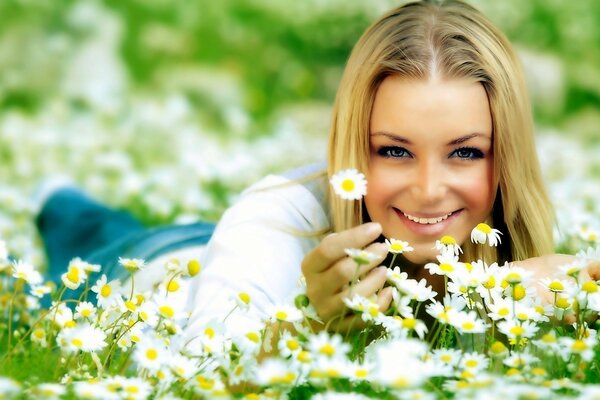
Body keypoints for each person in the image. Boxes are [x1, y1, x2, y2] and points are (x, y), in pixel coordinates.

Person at [36, 0, 598, 338]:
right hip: (154, 274)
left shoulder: (526, 248)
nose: (429, 191)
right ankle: (56, 197)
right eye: (394, 151)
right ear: (355, 147)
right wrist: (307, 324)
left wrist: (545, 302)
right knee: (82, 236)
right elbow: (194, 368)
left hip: (224, 252)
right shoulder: (274, 215)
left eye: (465, 152)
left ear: (506, 160)